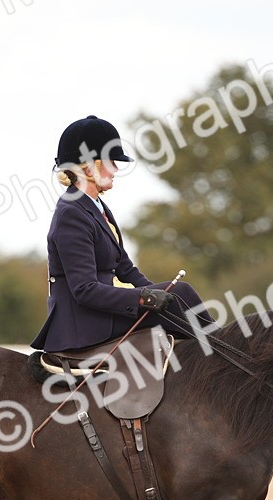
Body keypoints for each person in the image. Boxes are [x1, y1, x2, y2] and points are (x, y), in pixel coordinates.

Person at [30, 115, 214, 353]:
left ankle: (216, 350)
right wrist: (141, 299)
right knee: (182, 292)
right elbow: (84, 290)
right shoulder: (70, 214)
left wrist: (158, 293)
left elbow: (126, 269)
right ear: (89, 166)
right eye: (111, 162)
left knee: (177, 293)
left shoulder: (96, 207)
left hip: (105, 314)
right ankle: (224, 351)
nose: (116, 169)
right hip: (85, 324)